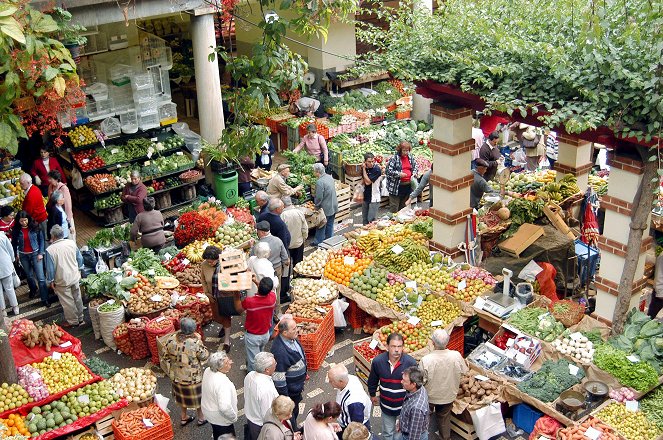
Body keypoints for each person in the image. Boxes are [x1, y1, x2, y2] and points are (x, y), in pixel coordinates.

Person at [367, 333, 417, 440]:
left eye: (399, 346)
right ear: (387, 347)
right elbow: (373, 380)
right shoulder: (378, 362)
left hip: (405, 407)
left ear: (403, 347)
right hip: (387, 406)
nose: (396, 350)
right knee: (388, 432)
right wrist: (372, 394)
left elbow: (415, 385)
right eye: (393, 346)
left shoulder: (410, 362)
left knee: (405, 431)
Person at [162, 317, 210, 427]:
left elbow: (165, 356)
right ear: (193, 330)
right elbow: (204, 356)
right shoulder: (194, 342)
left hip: (177, 376)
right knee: (198, 399)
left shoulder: (171, 339)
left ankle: (184, 418)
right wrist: (200, 341)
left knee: (182, 398)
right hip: (193, 378)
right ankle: (201, 418)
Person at [419, 329, 467, 440]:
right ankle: (445, 437)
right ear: (447, 342)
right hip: (449, 395)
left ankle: (421, 435)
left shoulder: (426, 360)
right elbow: (464, 371)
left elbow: (422, 380)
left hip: (430, 396)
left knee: (425, 416)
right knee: (444, 417)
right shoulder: (456, 356)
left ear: (433, 342)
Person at [272, 317, 307, 429]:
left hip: (296, 388)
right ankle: (293, 431)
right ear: (285, 332)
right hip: (290, 393)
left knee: (294, 410)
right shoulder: (280, 351)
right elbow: (279, 379)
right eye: (294, 328)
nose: (297, 330)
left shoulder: (291, 338)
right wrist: (286, 399)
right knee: (290, 415)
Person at [44, 225, 84, 326]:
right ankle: (81, 318)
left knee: (68, 302)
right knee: (77, 297)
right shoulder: (71, 243)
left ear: (52, 236)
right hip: (75, 276)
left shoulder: (50, 250)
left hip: (62, 279)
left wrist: (50, 281)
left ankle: (73, 322)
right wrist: (80, 269)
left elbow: (50, 269)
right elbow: (79, 259)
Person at [12, 211, 49, 307]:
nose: (24, 223)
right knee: (29, 275)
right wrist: (15, 254)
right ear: (18, 221)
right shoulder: (16, 230)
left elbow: (41, 240)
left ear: (28, 219)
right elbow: (14, 243)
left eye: (25, 220)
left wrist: (41, 253)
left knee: (41, 277)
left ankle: (45, 298)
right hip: (23, 255)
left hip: (35, 253)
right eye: (21, 221)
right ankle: (33, 289)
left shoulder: (35, 227)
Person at [242, 277, 277, 372]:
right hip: (265, 335)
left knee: (253, 361)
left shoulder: (250, 302)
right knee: (260, 357)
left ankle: (253, 376)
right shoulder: (272, 298)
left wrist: (235, 294)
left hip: (252, 337)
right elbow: (267, 292)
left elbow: (239, 308)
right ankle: (260, 371)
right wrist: (256, 281)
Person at [212, 254, 244, 353]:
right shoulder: (217, 269)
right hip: (220, 297)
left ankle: (227, 340)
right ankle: (226, 337)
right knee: (222, 317)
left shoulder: (237, 269)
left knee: (229, 315)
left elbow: (241, 283)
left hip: (231, 296)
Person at [245, 352, 280, 440]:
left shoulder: (250, 375)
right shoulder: (265, 389)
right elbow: (267, 414)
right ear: (267, 370)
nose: (276, 365)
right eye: (274, 364)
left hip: (251, 418)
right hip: (260, 425)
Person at [201, 351, 237, 437]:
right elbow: (225, 407)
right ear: (220, 368)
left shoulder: (208, 371)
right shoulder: (222, 383)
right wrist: (233, 417)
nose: (231, 362)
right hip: (221, 419)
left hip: (209, 411)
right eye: (227, 362)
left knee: (217, 432)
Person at [327, 364, 372, 432]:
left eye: (331, 381)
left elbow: (357, 425)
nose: (329, 382)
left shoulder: (353, 402)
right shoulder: (350, 378)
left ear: (341, 381)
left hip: (349, 428)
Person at [252, 221, 289, 293]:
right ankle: (277, 303)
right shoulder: (278, 240)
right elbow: (285, 258)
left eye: (258, 231)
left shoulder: (258, 245)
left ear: (262, 232)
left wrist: (251, 247)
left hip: (263, 271)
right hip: (277, 269)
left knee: (265, 291)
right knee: (276, 290)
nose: (257, 232)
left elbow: (252, 258)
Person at [385, 141, 418, 213]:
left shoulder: (410, 157)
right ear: (400, 150)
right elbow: (388, 171)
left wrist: (414, 173)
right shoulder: (394, 158)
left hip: (407, 186)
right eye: (404, 151)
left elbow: (415, 166)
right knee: (394, 208)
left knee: (403, 207)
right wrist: (399, 174)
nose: (406, 152)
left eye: (407, 150)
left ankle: (401, 222)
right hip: (396, 187)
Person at [398, 367, 429, 440]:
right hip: (407, 431)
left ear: (413, 384)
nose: (401, 382)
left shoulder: (417, 409)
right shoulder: (419, 388)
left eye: (404, 381)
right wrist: (400, 423)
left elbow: (414, 436)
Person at [312, 163, 338, 246]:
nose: (313, 172)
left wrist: (316, 206)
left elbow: (319, 197)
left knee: (321, 225)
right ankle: (329, 240)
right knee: (330, 224)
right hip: (333, 205)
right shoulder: (329, 177)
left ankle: (318, 242)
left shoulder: (320, 182)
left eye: (313, 171)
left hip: (325, 207)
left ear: (317, 172)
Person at [47, 170, 74, 239]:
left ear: (56, 179)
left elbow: (68, 205)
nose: (49, 180)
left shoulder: (64, 188)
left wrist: (68, 219)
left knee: (70, 236)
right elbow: (49, 200)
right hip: (56, 213)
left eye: (51, 179)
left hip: (64, 214)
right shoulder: (50, 187)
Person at [360, 153, 382, 225]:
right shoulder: (365, 168)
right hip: (366, 196)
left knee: (371, 219)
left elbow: (368, 182)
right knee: (364, 219)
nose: (371, 163)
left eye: (373, 161)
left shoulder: (377, 170)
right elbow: (363, 180)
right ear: (365, 162)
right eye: (369, 162)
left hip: (374, 197)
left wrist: (363, 169)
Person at [0, 232, 17, 317]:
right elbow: (10, 250)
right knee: (9, 288)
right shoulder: (2, 236)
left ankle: (3, 310)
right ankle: (15, 307)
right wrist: (12, 260)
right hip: (5, 265)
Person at [648, 253, 663, 319]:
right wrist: (660, 293)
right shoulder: (662, 256)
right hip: (660, 295)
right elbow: (659, 275)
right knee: (650, 317)